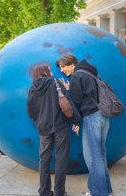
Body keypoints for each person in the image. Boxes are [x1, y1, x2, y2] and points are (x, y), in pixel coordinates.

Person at [56, 53, 113, 196]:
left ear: (71, 64)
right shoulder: (91, 72)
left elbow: (75, 102)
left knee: (93, 157)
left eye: (63, 67)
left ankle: (98, 193)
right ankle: (106, 190)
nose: (62, 70)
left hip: (92, 118)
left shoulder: (77, 76)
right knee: (101, 155)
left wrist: (68, 91)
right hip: (103, 117)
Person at [27, 64, 81, 196]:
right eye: (49, 70)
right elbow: (68, 102)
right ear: (45, 72)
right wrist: (76, 119)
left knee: (44, 160)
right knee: (61, 159)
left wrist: (39, 121)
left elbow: (30, 112)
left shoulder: (32, 88)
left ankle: (44, 192)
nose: (51, 72)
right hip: (60, 127)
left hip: (43, 129)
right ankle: (59, 192)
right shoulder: (55, 82)